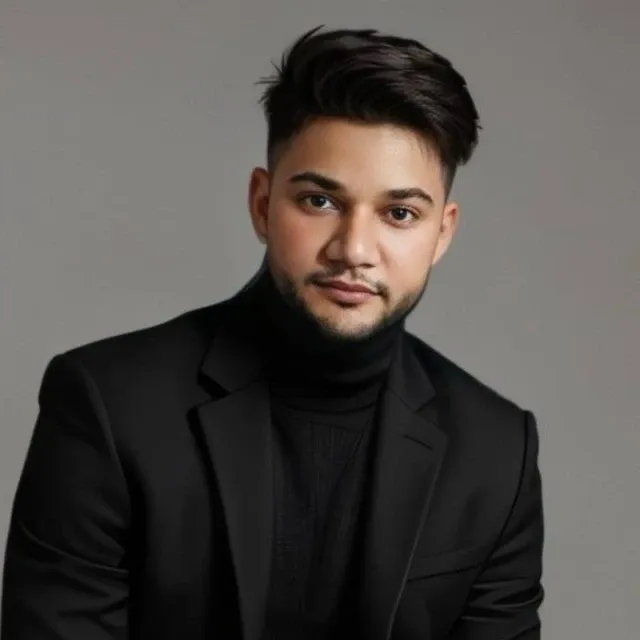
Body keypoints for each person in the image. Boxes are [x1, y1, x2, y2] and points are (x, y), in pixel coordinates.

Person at [1, 26, 544, 640]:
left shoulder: (497, 451)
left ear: (441, 233)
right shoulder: (109, 405)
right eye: (319, 202)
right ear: (262, 204)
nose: (354, 250)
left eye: (399, 214)